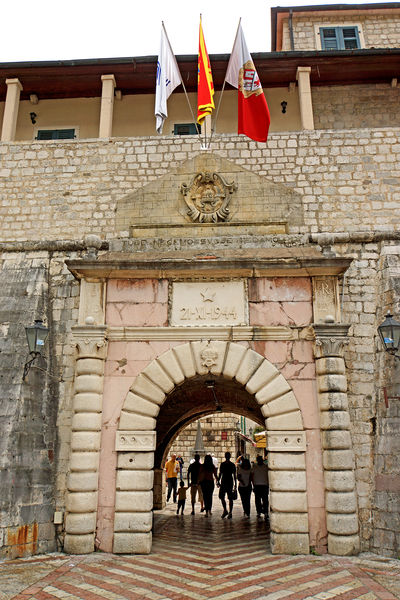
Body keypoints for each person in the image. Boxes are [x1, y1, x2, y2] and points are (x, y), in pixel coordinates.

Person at [218, 451, 237, 519]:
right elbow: (234, 475)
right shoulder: (232, 465)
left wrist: (218, 481)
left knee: (222, 497)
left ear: (225, 456)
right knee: (230, 498)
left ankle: (226, 510)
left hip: (224, 481)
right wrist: (235, 484)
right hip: (229, 482)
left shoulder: (223, 464)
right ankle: (229, 512)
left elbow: (220, 473)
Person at [251, 454, 269, 521]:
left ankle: (263, 512)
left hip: (261, 485)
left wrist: (253, 484)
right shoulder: (265, 467)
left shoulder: (256, 467)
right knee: (263, 500)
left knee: (261, 500)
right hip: (261, 485)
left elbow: (252, 476)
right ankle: (262, 512)